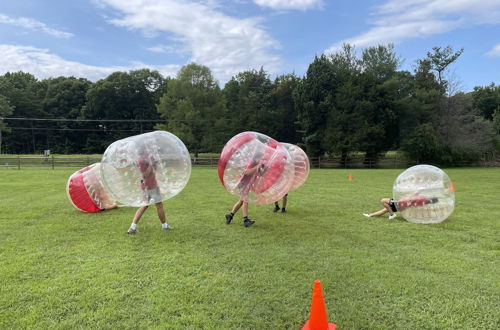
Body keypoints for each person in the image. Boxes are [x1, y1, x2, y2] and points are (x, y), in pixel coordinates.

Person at [127, 148, 171, 234]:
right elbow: (145, 174)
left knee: (145, 206)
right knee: (159, 205)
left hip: (149, 185)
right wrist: (151, 165)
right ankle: (165, 226)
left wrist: (154, 163)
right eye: (148, 149)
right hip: (151, 186)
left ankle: (132, 228)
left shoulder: (147, 159)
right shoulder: (142, 161)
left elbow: (154, 171)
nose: (150, 150)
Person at [225, 152, 265, 227]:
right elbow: (246, 172)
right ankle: (245, 220)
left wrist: (264, 168)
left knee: (241, 201)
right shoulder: (251, 162)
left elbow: (261, 174)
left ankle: (230, 215)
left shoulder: (257, 163)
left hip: (247, 184)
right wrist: (257, 167)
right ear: (257, 157)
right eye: (261, 158)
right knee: (245, 200)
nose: (261, 159)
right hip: (242, 183)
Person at [363, 194, 439, 219]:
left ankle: (392, 214)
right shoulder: (423, 202)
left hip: (399, 203)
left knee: (383, 200)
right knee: (385, 210)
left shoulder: (421, 200)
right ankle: (370, 215)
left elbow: (411, 198)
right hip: (401, 206)